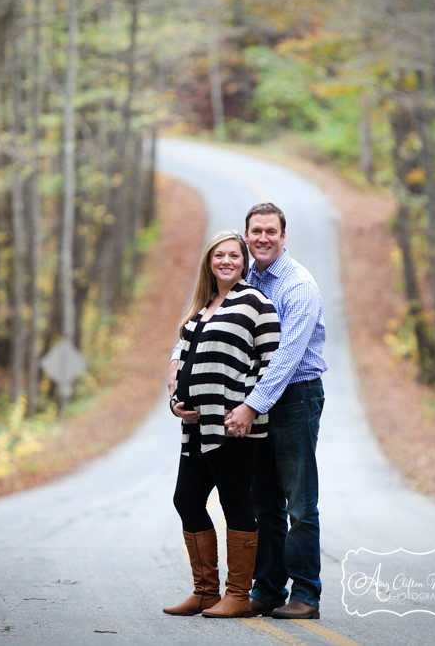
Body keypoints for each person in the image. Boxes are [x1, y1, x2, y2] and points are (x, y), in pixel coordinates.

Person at [169, 203, 327, 620]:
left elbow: (286, 358)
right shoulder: (246, 274)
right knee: (264, 500)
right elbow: (202, 324)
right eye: (255, 231)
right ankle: (267, 588)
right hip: (251, 401)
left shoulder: (298, 286)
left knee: (298, 501)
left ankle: (306, 594)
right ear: (246, 234)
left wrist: (251, 406)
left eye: (270, 231)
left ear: (283, 235)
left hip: (294, 396)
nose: (262, 238)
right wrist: (176, 370)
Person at [163, 229, 280, 619]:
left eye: (233, 255)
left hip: (234, 426)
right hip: (197, 425)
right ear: (209, 263)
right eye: (218, 256)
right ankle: (205, 592)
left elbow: (272, 363)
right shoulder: (202, 308)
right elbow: (184, 364)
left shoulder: (256, 303)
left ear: (244, 262)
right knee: (187, 500)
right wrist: (176, 402)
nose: (226, 261)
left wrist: (248, 407)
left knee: (236, 504)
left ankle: (238, 595)